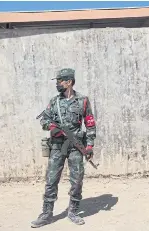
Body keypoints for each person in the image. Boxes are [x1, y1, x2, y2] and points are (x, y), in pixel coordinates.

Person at [31, 68, 97, 227]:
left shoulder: (83, 100)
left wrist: (89, 146)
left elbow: (90, 124)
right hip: (57, 146)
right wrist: (52, 128)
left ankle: (73, 211)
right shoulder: (54, 102)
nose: (57, 84)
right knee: (51, 179)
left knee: (77, 179)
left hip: (75, 146)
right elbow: (44, 121)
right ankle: (46, 213)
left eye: (60, 81)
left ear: (69, 82)